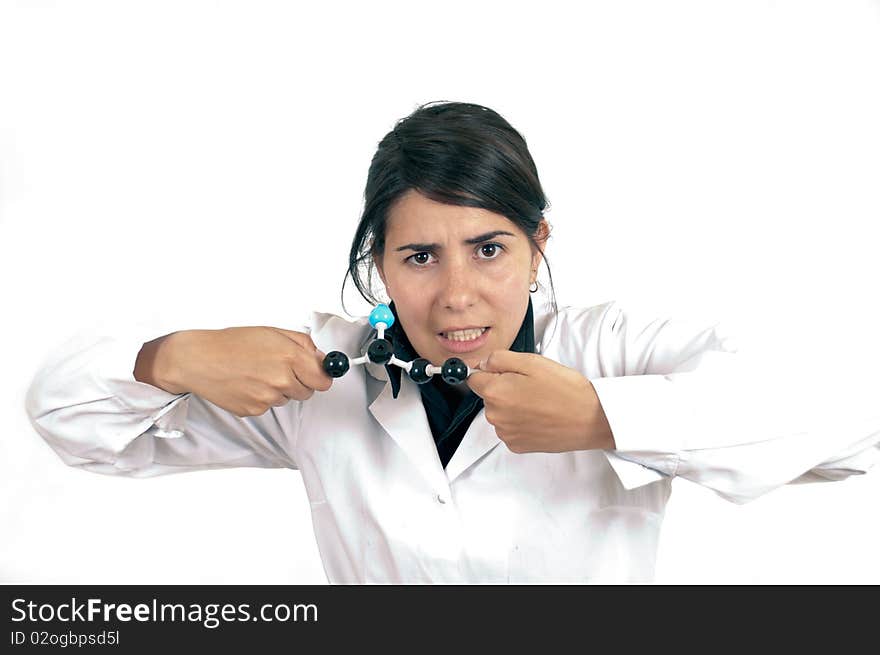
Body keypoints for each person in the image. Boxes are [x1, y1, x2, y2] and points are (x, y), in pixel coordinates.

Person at [25, 101, 880, 583]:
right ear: (380, 263)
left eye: (491, 248)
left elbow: (850, 416)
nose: (458, 293)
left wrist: (603, 414)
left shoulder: (613, 348)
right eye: (421, 255)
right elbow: (70, 419)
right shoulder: (318, 377)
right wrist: (166, 357)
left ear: (540, 242)